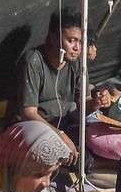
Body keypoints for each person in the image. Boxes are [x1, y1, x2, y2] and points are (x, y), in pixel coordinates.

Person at [8, 11, 92, 157]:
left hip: (63, 123)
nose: (77, 48)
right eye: (71, 40)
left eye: (80, 42)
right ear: (52, 37)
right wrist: (59, 136)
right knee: (48, 151)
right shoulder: (33, 61)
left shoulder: (76, 62)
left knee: (97, 136)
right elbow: (29, 113)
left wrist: (96, 103)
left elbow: (83, 105)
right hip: (33, 128)